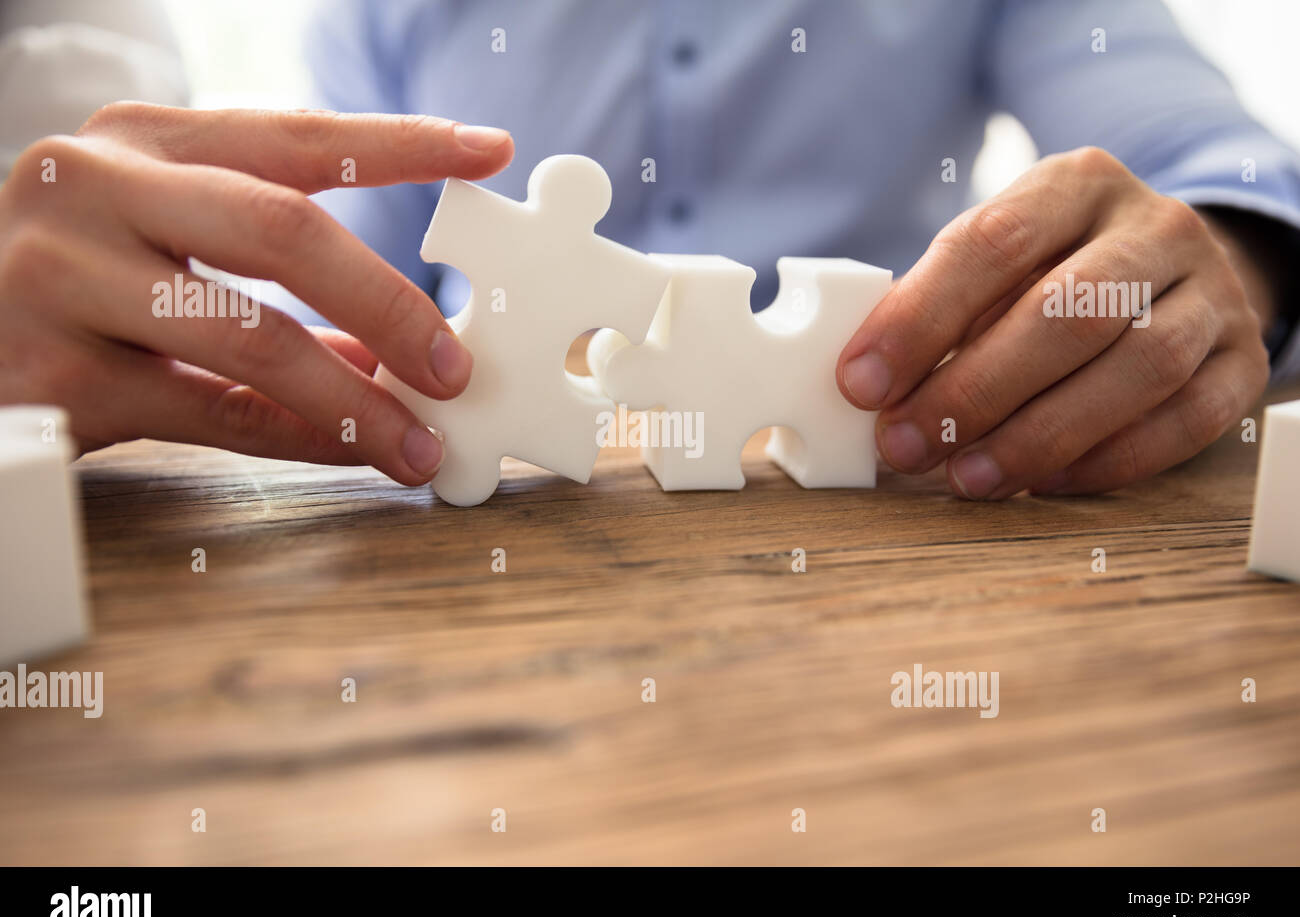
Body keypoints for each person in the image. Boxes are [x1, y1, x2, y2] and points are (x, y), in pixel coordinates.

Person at [2, 0, 1297, 499]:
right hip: (493, 578)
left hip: (876, 526)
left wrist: (1221, 267)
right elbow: (326, 317)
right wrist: (114, 322)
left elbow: (1217, 170)